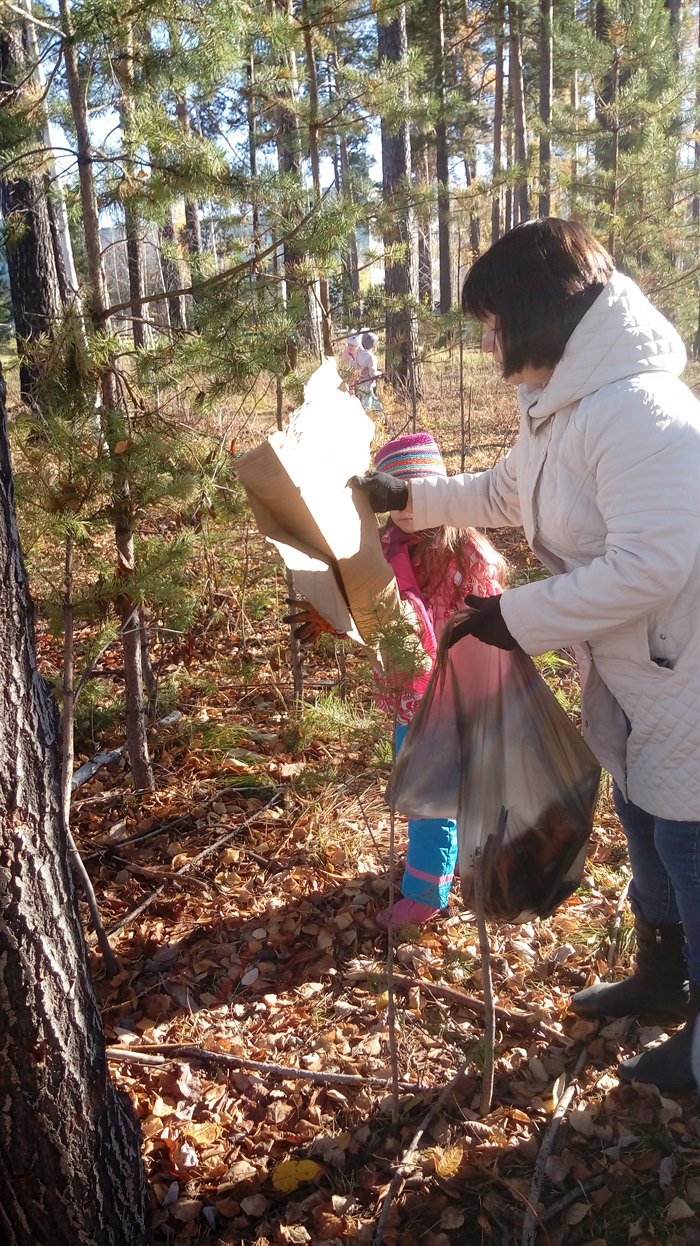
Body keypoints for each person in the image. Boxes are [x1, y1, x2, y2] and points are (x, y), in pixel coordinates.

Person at [353, 218, 700, 1094]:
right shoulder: (560, 406)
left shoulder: (642, 412)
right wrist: (408, 498)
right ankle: (663, 979)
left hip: (687, 667)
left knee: (689, 839)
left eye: (494, 323)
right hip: (638, 668)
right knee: (646, 819)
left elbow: (655, 563)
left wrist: (518, 615)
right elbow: (504, 491)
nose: (488, 343)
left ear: (538, 312)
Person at [286, 431, 505, 928]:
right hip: (409, 696)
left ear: (438, 491)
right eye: (393, 501)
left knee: (431, 798)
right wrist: (334, 618)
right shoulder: (384, 549)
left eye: (414, 495)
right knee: (426, 793)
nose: (406, 513)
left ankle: (427, 895)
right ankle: (446, 866)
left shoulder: (468, 553)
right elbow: (372, 612)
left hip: (460, 697)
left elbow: (493, 624)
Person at [355, 331, 383, 413]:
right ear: (373, 345)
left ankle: (381, 417)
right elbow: (372, 374)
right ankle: (365, 418)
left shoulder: (358, 354)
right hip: (367, 385)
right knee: (366, 407)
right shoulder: (371, 357)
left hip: (359, 384)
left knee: (375, 403)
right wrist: (380, 373)